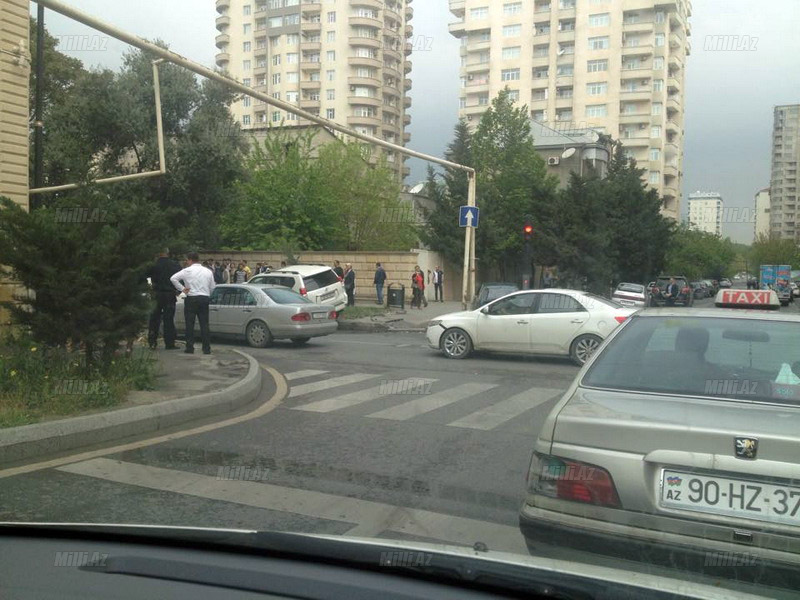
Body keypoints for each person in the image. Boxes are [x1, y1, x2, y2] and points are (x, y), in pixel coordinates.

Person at [170, 251, 216, 355]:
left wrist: (182, 289)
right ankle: (206, 348)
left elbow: (173, 278)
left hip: (191, 298)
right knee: (204, 324)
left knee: (189, 324)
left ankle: (190, 348)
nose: (186, 262)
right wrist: (207, 294)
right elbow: (213, 287)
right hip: (204, 298)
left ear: (190, 260)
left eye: (187, 260)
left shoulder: (186, 271)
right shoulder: (208, 271)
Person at [146, 249, 181, 350]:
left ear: (158, 253)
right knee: (169, 320)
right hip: (170, 294)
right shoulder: (175, 265)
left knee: (154, 319)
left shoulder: (153, 265)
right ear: (168, 253)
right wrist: (178, 290)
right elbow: (181, 278)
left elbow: (144, 277)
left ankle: (152, 342)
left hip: (156, 294)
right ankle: (169, 343)